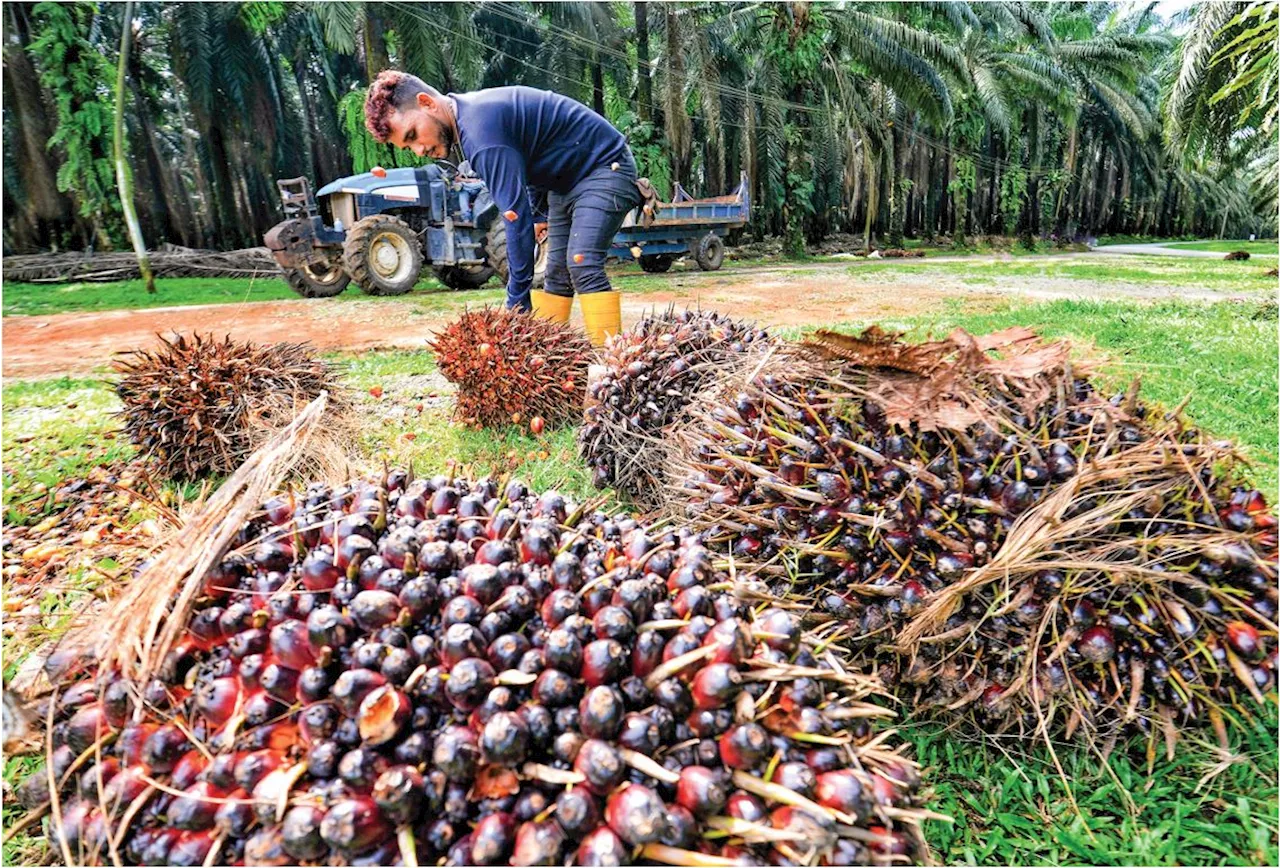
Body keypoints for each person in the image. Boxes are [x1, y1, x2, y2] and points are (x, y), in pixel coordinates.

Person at [364, 71, 642, 346]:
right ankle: (549, 363)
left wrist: (516, 305)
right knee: (557, 274)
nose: (419, 150)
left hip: (605, 166)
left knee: (582, 263)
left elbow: (514, 218)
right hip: (564, 184)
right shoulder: (468, 116)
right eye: (408, 145)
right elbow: (535, 155)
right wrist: (539, 215)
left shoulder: (480, 133)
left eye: (413, 135)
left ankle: (612, 370)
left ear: (427, 103)